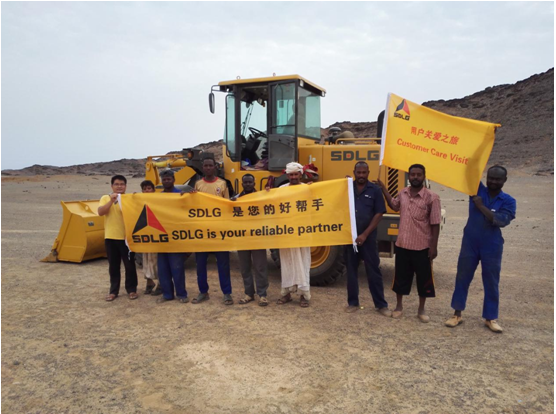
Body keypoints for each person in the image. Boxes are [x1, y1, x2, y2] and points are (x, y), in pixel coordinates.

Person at [445, 166, 516, 333]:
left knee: (491, 281)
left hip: (492, 245)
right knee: (462, 277)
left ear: (504, 180)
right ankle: (457, 314)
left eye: (497, 179)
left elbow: (501, 221)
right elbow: (467, 172)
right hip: (470, 242)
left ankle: (490, 318)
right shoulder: (476, 190)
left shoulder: (508, 201)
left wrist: (481, 206)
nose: (493, 181)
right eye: (490, 177)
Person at [377, 164, 441, 322]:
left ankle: (421, 310)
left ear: (424, 176)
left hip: (422, 247)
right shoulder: (403, 193)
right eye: (413, 174)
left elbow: (435, 224)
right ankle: (399, 307)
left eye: (419, 174)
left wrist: (433, 247)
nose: (415, 177)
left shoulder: (432, 197)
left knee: (423, 279)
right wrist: (383, 188)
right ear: (409, 176)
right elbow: (394, 206)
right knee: (400, 278)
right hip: (402, 245)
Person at [345, 162, 391, 317]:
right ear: (354, 172)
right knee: (351, 271)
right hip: (350, 238)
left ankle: (381, 305)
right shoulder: (347, 188)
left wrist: (364, 234)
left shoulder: (375, 190)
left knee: (373, 271)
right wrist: (342, 184)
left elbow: (379, 213)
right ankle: (353, 303)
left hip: (368, 238)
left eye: (364, 172)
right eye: (358, 172)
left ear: (368, 173)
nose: (361, 175)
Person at [192, 157, 234, 305]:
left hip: (218, 231)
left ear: (215, 167)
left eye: (211, 165)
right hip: (202, 231)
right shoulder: (198, 184)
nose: (208, 168)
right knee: (200, 264)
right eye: (206, 165)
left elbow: (227, 205)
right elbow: (194, 205)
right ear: (203, 167)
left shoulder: (222, 184)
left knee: (223, 264)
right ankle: (203, 292)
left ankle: (227, 293)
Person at [275, 162, 312, 308]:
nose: (293, 177)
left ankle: (304, 295)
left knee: (303, 262)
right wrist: (267, 192)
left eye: (296, 174)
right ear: (287, 175)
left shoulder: (307, 189)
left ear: (300, 175)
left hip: (302, 231)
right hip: (286, 232)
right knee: (287, 262)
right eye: (291, 175)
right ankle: (286, 293)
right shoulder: (281, 190)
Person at [98, 175, 138, 301]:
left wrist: (137, 198)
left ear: (125, 186)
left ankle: (132, 290)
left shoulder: (129, 198)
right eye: (116, 184)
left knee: (130, 266)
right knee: (114, 266)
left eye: (122, 184)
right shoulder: (105, 198)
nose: (119, 186)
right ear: (112, 186)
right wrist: (111, 201)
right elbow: (100, 212)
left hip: (126, 238)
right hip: (111, 237)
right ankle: (113, 291)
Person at [232, 174, 269, 307]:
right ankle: (249, 294)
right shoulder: (235, 199)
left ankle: (262, 295)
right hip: (242, 238)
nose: (248, 184)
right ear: (242, 184)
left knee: (260, 267)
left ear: (254, 183)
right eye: (245, 182)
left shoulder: (261, 197)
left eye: (250, 182)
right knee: (245, 267)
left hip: (258, 237)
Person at [156, 169, 189, 304]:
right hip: (162, 237)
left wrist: (190, 195)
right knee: (163, 269)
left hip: (176, 238)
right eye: (164, 180)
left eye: (169, 179)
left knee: (177, 267)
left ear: (173, 180)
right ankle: (167, 294)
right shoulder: (158, 197)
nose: (166, 181)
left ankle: (181, 294)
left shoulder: (180, 195)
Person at [139, 180, 161, 295]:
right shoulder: (139, 201)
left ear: (153, 190)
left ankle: (161, 283)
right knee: (146, 259)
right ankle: (149, 281)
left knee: (157, 259)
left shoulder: (159, 201)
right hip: (145, 234)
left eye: (149, 188)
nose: (147, 191)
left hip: (157, 234)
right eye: (144, 189)